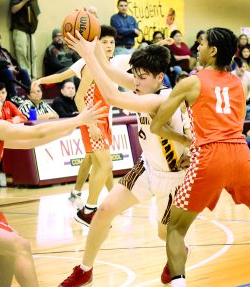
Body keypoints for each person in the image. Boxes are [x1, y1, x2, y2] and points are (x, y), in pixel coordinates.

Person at [59, 32, 190, 286]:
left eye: (141, 78)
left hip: (173, 178)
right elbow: (107, 70)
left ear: (159, 78)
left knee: (165, 234)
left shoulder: (161, 98)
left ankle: (180, 251)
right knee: (104, 210)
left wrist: (87, 56)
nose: (136, 82)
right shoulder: (145, 85)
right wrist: (92, 45)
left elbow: (112, 97)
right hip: (147, 166)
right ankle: (85, 270)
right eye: (135, 76)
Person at [0, 76, 106, 287]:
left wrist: (72, 126)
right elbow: (36, 131)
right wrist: (78, 120)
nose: (1, 98)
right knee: (20, 246)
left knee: (10, 249)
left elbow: (32, 141)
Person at [149, 27, 250, 287]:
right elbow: (232, 122)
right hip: (240, 153)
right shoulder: (237, 82)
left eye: (201, 44)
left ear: (212, 50)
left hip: (209, 156)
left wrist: (189, 141)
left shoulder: (191, 82)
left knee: (175, 229)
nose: (197, 48)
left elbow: (157, 125)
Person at [33, 26, 124, 225]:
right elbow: (78, 96)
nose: (109, 46)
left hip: (104, 117)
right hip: (93, 118)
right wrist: (91, 124)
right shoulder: (90, 65)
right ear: (95, 44)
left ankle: (105, 202)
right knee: (104, 164)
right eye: (104, 42)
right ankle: (88, 209)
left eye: (111, 42)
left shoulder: (110, 64)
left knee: (101, 164)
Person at [0, 31, 31, 104]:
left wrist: (16, 67)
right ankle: (13, 96)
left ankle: (30, 93)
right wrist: (9, 66)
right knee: (8, 72)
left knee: (24, 71)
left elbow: (14, 61)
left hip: (10, 70)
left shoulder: (4, 51)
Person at [10, 0, 40, 78]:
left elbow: (36, 12)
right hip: (19, 28)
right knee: (22, 53)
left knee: (33, 53)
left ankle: (33, 76)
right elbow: (13, 10)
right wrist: (24, 1)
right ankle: (26, 76)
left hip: (30, 29)